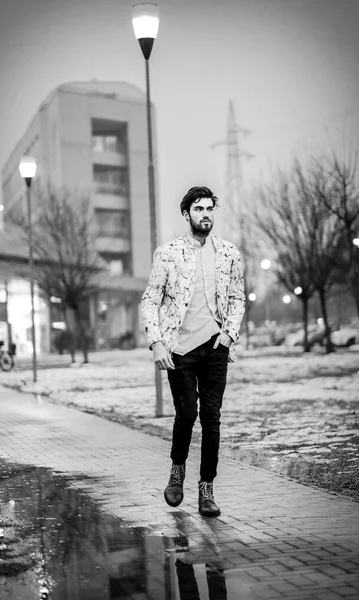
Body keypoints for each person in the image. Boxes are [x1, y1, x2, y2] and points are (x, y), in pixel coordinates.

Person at [140, 185, 245, 517]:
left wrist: (228, 336)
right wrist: (156, 342)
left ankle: (207, 491)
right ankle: (176, 472)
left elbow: (237, 300)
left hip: (215, 347)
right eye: (198, 209)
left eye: (209, 209)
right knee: (186, 414)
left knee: (211, 419)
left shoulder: (229, 253)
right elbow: (150, 301)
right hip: (180, 349)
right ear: (187, 214)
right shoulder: (168, 253)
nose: (205, 214)